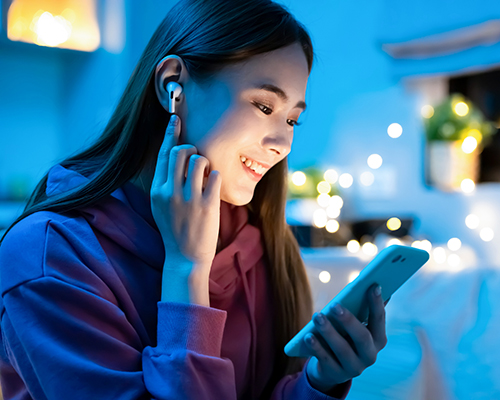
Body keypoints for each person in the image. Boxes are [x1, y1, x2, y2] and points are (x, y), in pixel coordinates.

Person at [0, 0, 387, 399]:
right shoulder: (45, 255)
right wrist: (187, 271)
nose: (283, 144)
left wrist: (319, 381)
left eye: (291, 119)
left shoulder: (258, 238)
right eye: (264, 105)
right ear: (173, 85)